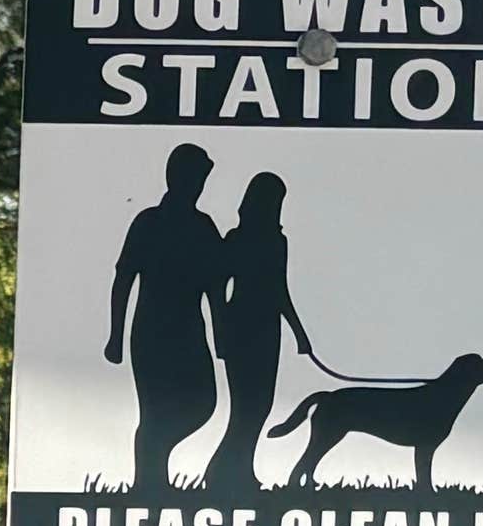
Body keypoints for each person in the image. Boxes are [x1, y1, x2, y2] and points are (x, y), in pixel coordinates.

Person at [103, 143, 223, 492]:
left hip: (189, 332)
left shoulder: (204, 226)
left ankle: (153, 470)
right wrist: (115, 336)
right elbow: (123, 278)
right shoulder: (148, 222)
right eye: (197, 177)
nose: (200, 184)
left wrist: (222, 337)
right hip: (152, 332)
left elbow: (215, 287)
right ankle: (149, 484)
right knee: (154, 410)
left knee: (203, 402)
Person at [205, 172, 323, 493]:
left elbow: (279, 289)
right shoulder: (236, 239)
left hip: (268, 329)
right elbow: (217, 287)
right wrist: (221, 331)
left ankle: (240, 469)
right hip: (241, 325)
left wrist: (299, 333)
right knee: (246, 406)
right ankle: (220, 474)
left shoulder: (277, 241)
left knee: (261, 405)